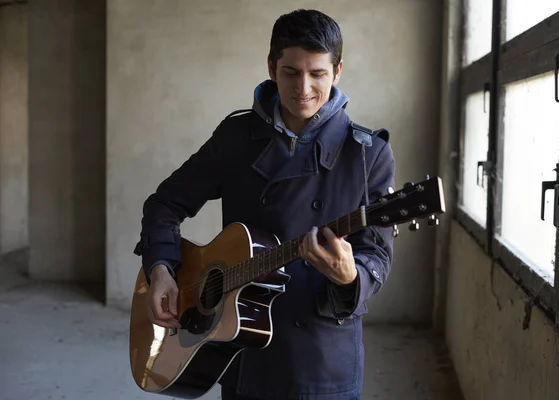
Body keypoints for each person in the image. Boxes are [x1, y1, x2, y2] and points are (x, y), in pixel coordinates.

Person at [135, 9, 396, 400]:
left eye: (317, 74)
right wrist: (161, 268)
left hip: (320, 359)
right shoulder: (236, 137)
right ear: (272, 67)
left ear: (337, 71)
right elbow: (164, 204)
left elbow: (376, 253)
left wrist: (351, 276)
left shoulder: (367, 154)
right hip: (241, 354)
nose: (303, 88)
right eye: (291, 72)